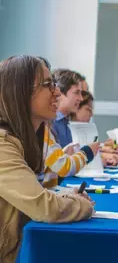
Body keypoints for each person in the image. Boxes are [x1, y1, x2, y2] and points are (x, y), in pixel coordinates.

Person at [0, 56, 93, 262]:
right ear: (19, 92)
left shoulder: (28, 139)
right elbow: (44, 207)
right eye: (48, 85)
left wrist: (66, 197)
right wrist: (82, 205)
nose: (57, 92)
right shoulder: (2, 146)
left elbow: (33, 197)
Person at [52, 69, 85, 148]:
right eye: (77, 93)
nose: (81, 98)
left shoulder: (66, 122)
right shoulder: (49, 124)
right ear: (60, 92)